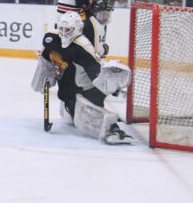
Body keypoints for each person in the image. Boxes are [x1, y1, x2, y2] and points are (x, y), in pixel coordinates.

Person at [34, 11, 132, 145]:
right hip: (69, 90)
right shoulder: (51, 38)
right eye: (61, 29)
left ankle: (113, 129)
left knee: (85, 116)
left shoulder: (83, 48)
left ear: (77, 30)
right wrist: (46, 74)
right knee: (72, 116)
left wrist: (112, 88)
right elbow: (46, 56)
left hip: (85, 90)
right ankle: (71, 106)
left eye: (68, 30)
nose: (63, 33)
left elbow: (96, 74)